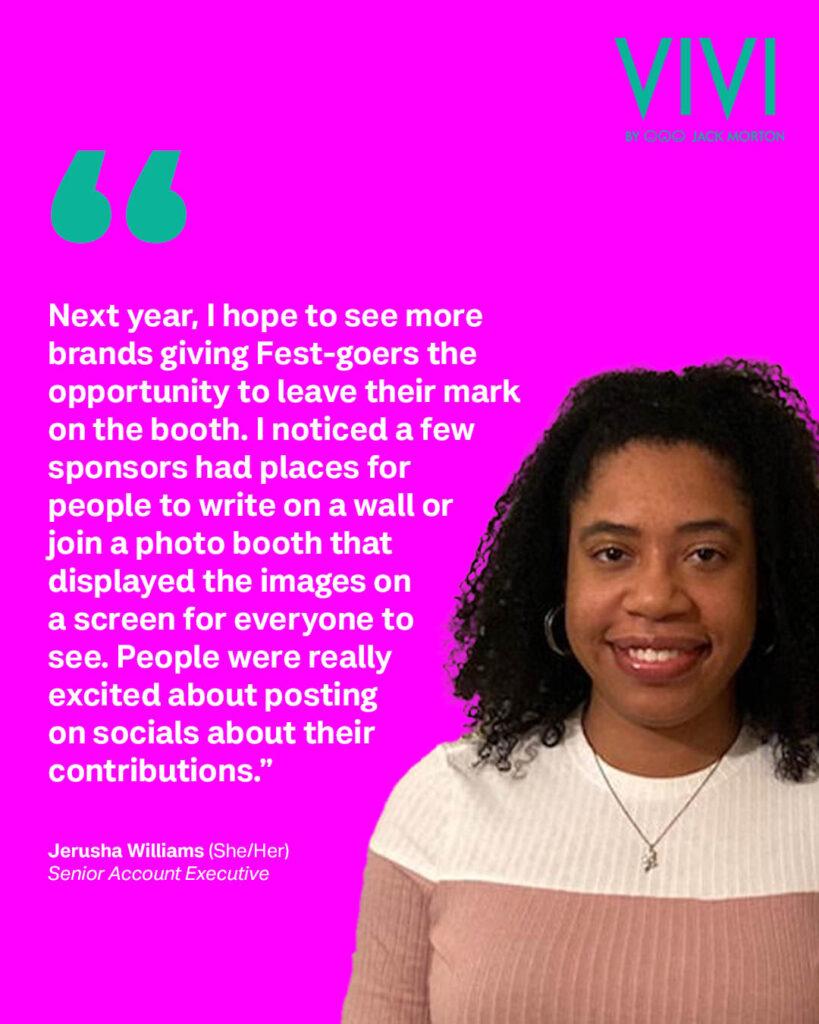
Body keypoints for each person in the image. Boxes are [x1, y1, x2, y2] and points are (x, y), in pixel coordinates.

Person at [342, 360, 819, 1023]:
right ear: (556, 578)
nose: (655, 597)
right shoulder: (442, 803)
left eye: (705, 554)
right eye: (611, 554)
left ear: (766, 584)